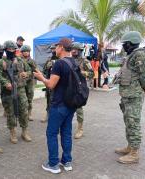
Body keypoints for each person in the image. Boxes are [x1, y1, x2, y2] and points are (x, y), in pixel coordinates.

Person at [34, 38, 76, 174]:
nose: (55, 49)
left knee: (51, 133)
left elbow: (51, 85)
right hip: (71, 104)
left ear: (61, 47)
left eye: (56, 46)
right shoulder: (74, 62)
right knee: (66, 132)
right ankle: (67, 161)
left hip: (59, 105)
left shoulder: (59, 64)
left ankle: (53, 164)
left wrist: (41, 78)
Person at [115, 31, 145, 164]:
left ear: (131, 43)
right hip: (127, 95)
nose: (123, 46)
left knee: (133, 122)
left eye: (125, 44)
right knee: (128, 122)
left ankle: (134, 153)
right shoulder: (131, 55)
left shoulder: (140, 54)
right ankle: (130, 146)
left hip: (134, 96)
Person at [0, 40, 32, 144]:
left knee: (24, 110)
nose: (11, 51)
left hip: (20, 89)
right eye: (9, 49)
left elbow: (29, 70)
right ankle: (13, 133)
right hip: (7, 91)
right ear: (5, 50)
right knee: (10, 112)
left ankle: (24, 132)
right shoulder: (0, 62)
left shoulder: (20, 60)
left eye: (13, 49)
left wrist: (26, 74)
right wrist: (5, 82)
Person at [71, 42, 94, 139]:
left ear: (80, 50)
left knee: (79, 109)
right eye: (72, 49)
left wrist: (81, 72)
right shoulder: (69, 60)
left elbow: (92, 74)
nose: (73, 51)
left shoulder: (85, 61)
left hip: (80, 88)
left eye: (75, 49)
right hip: (70, 87)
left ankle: (80, 129)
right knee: (68, 107)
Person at [41, 44, 59, 123]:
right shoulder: (48, 60)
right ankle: (48, 114)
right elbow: (44, 72)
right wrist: (45, 80)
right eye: (52, 49)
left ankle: (55, 116)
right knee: (48, 99)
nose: (53, 51)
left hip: (58, 84)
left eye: (54, 49)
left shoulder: (61, 60)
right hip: (49, 83)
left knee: (57, 100)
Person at [20, 45, 38, 121]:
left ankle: (29, 114)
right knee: (21, 99)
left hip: (30, 82)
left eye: (27, 51)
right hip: (21, 82)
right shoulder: (19, 60)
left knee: (29, 98)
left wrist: (28, 74)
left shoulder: (32, 61)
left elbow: (36, 71)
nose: (26, 53)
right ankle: (22, 114)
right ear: (22, 52)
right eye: (24, 51)